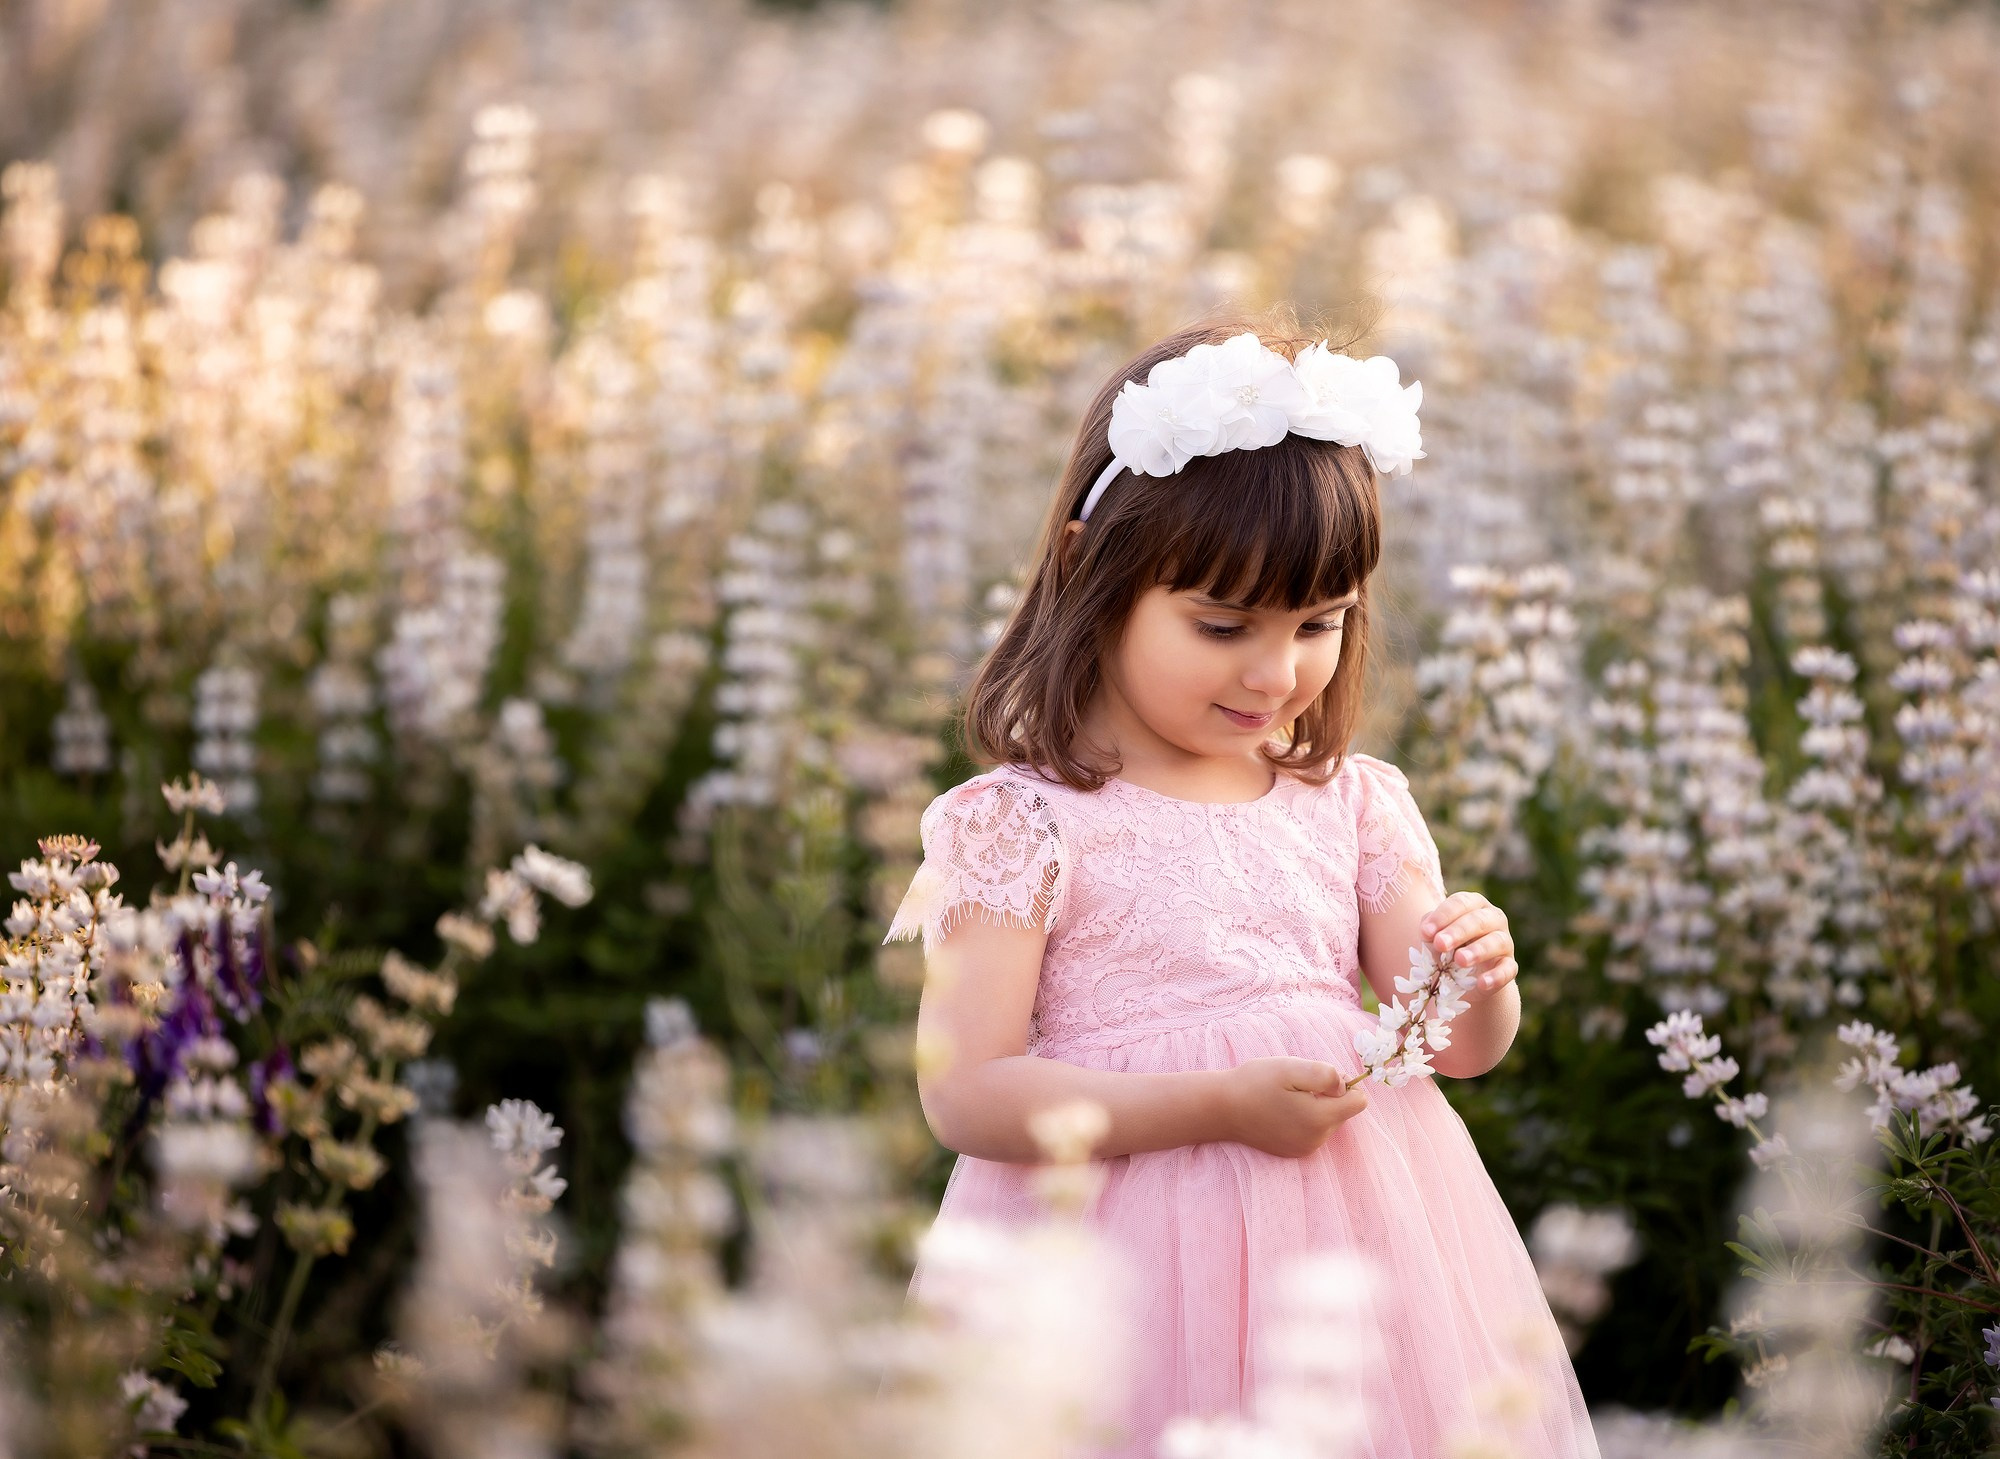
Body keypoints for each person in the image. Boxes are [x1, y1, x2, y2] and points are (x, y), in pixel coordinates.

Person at [882, 310, 1599, 1458]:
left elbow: (1454, 1049)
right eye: (1222, 625)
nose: (1277, 671)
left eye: (1320, 623)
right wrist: (1214, 1109)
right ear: (1089, 570)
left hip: (1363, 1264)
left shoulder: (1351, 803)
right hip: (1108, 1271)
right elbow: (966, 1095)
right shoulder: (1021, 825)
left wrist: (1480, 973)